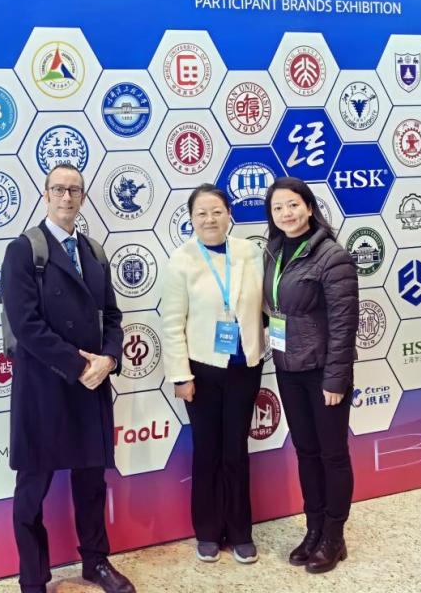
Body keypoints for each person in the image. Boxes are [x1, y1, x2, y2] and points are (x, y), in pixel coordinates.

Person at [0, 164, 135, 593]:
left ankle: (96, 563)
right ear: (46, 194)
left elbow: (112, 316)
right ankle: (32, 578)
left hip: (90, 387)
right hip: (43, 387)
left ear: (82, 198)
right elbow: (26, 325)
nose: (66, 197)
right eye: (58, 189)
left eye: (74, 190)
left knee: (91, 482)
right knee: (31, 490)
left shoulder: (94, 252)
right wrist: (80, 366)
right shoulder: (24, 250)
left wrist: (109, 359)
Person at [160, 184, 266, 565]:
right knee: (207, 452)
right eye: (202, 213)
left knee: (236, 451)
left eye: (217, 211)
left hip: (244, 368)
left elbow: (265, 306)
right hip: (201, 371)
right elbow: (172, 323)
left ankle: (240, 532)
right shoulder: (182, 260)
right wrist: (180, 376)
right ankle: (207, 532)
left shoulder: (249, 252)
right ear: (191, 218)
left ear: (229, 214)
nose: (210, 219)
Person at [262, 176, 358, 574]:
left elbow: (344, 324)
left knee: (332, 454)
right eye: (278, 207)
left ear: (309, 207)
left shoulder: (332, 256)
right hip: (289, 369)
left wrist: (336, 379)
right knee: (306, 452)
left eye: (293, 205)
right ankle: (314, 528)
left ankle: (334, 536)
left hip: (323, 372)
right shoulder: (271, 251)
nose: (286, 213)